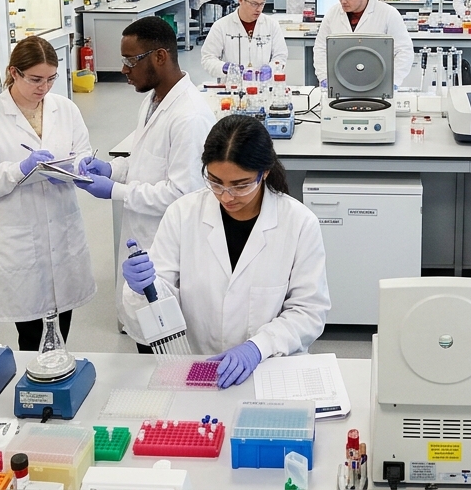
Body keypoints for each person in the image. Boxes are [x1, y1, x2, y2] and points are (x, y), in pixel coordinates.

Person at [121, 116, 330, 384]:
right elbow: (161, 302)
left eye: (241, 185)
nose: (226, 196)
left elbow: (309, 311)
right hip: (200, 368)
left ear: (264, 172)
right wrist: (143, 289)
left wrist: (258, 347)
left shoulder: (299, 223)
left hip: (268, 368)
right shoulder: (182, 214)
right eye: (216, 182)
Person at [77, 17, 217, 331]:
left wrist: (114, 190)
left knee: (166, 347)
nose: (124, 69)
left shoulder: (189, 117)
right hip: (143, 239)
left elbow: (183, 194)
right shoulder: (153, 101)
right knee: (146, 332)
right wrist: (113, 170)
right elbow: (146, 161)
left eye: (130, 60)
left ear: (160, 57)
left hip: (169, 248)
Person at [0, 36, 97, 350]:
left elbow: (82, 150)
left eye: (51, 79)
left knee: (63, 322)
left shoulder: (65, 109)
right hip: (17, 234)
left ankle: (60, 375)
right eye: (35, 79)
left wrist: (79, 166)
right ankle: (37, 388)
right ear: (14, 72)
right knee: (32, 335)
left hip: (62, 225)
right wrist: (19, 170)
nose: (44, 87)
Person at [313, 0, 414, 89]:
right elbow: (320, 48)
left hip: (378, 82)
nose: (343, 1)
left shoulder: (388, 14)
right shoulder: (332, 13)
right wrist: (324, 77)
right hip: (340, 82)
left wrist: (393, 81)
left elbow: (404, 51)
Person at [201, 0, 288, 80]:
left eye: (262, 4)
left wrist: (271, 69)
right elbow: (208, 58)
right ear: (240, 0)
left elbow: (281, 56)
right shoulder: (221, 26)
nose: (259, 9)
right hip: (232, 87)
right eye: (254, 4)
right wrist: (225, 68)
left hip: (263, 87)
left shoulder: (271, 25)